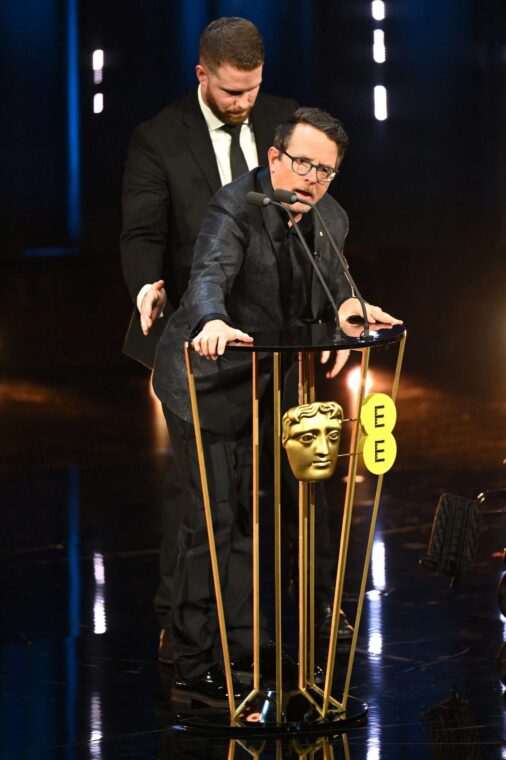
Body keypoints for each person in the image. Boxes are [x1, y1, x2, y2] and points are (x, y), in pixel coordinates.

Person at [152, 107, 402, 705]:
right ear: (273, 158)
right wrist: (210, 317)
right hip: (205, 377)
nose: (311, 179)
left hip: (273, 381)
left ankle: (278, 632)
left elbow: (336, 281)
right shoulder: (233, 206)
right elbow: (210, 272)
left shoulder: (329, 214)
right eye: (302, 164)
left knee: (286, 508)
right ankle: (191, 657)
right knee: (213, 520)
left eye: (325, 170)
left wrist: (346, 308)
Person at [120, 17, 298, 664]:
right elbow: (142, 234)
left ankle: (266, 621)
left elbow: (316, 218)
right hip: (192, 335)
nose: (243, 102)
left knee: (272, 484)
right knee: (199, 489)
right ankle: (183, 624)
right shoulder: (159, 137)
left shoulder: (285, 124)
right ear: (202, 74)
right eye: (229, 91)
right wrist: (147, 285)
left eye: (251, 89)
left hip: (273, 335)